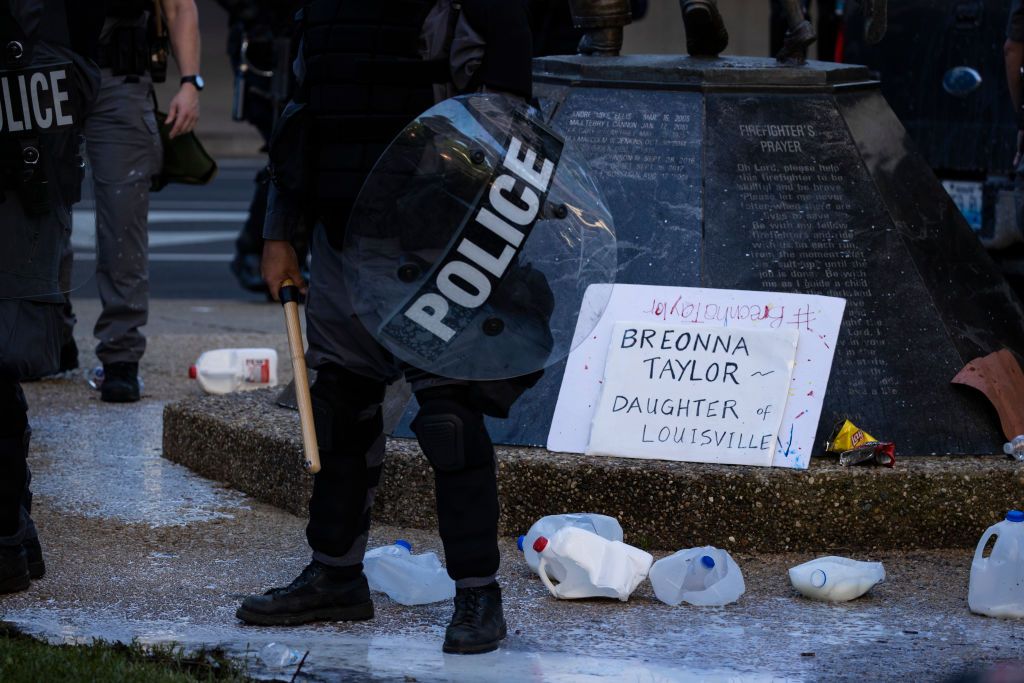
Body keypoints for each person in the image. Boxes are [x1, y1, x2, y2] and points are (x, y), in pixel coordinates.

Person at [236, 0, 538, 655]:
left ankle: (479, 593)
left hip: (433, 241)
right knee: (338, 406)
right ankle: (336, 575)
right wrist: (278, 232)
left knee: (448, 421)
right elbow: (298, 113)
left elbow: (514, 117)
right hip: (339, 237)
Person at [0, 0, 103, 593]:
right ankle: (15, 535)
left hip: (22, 190)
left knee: (3, 357)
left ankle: (9, 540)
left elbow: (66, 84)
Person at [62, 0, 202, 403]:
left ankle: (121, 356)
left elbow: (179, 6)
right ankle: (46, 337)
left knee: (124, 222)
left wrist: (191, 82)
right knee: (40, 213)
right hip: (46, 72)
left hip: (117, 76)